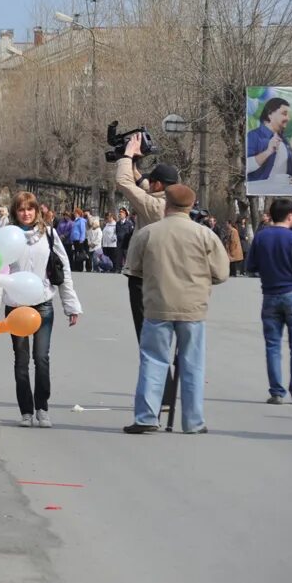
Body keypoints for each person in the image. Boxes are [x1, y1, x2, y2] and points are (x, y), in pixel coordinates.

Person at [123, 184, 228, 434]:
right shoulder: (205, 235)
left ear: (166, 204)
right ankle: (193, 421)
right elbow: (222, 273)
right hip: (193, 308)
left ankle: (147, 416)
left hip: (158, 306)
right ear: (191, 206)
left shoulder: (148, 233)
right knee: (193, 363)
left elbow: (133, 268)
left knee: (152, 359)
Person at [0, 191, 82, 428]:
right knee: (21, 361)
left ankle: (42, 407)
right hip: (16, 307)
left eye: (30, 209)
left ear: (37, 211)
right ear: (14, 212)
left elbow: (63, 270)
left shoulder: (48, 234)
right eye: (21, 209)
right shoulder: (6, 237)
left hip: (42, 303)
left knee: (41, 358)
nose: (26, 213)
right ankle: (26, 411)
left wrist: (71, 305)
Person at [115, 135, 176, 337]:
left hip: (143, 277)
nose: (147, 182)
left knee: (146, 333)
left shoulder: (154, 206)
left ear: (158, 185)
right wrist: (133, 163)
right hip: (167, 276)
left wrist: (127, 154)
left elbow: (124, 182)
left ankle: (157, 368)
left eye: (152, 181)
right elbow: (141, 184)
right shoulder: (172, 202)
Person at [246, 198, 292, 404]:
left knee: (272, 345)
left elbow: (250, 266)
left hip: (269, 295)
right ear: (289, 215)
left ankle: (276, 391)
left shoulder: (261, 237)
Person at [246, 96, 292, 183]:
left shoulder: (285, 140)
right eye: (284, 114)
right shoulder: (253, 136)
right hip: (262, 192)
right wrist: (268, 152)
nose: (288, 118)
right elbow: (244, 167)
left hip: (285, 191)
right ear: (270, 114)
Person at [114, 207, 134, 273]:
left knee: (126, 256)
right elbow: (117, 232)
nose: (120, 214)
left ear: (125, 214)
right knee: (119, 256)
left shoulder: (129, 223)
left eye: (122, 213)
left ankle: (128, 269)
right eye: (119, 213)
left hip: (126, 242)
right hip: (119, 242)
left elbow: (131, 233)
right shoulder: (117, 223)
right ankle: (118, 269)